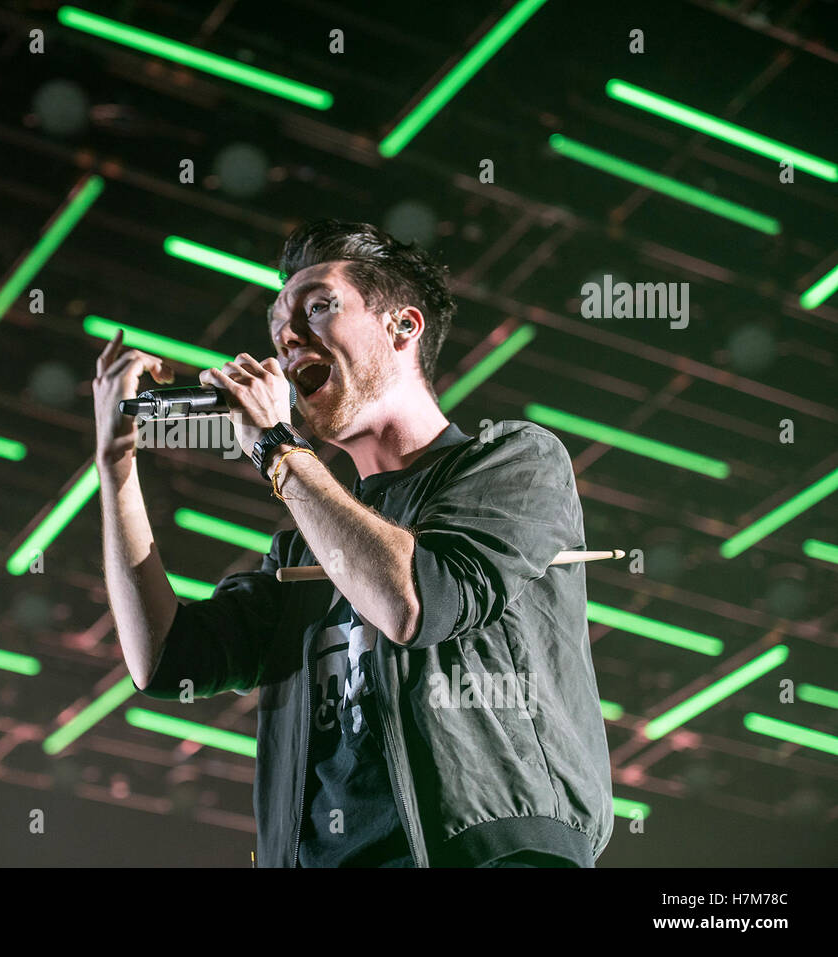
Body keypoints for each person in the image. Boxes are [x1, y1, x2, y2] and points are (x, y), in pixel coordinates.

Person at [92, 219, 613, 867]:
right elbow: (167, 660)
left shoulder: (516, 461)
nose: (287, 335)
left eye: (319, 306)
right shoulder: (301, 551)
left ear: (403, 326)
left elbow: (411, 602)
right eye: (280, 324)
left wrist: (276, 447)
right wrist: (113, 467)